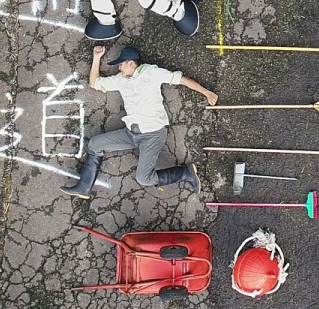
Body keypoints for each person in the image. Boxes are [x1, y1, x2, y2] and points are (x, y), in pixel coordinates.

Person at [62, 44, 219, 199]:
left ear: (131, 63)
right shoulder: (120, 79)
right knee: (95, 144)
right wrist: (96, 58)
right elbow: (94, 83)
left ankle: (185, 173)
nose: (119, 67)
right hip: (131, 133)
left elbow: (181, 79)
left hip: (152, 135)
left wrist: (207, 92)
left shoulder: (152, 72)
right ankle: (84, 188)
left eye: (121, 64)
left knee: (144, 178)